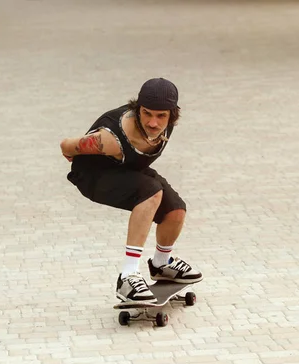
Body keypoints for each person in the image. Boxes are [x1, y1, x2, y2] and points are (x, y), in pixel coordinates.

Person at [60, 77, 203, 304]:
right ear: (138, 109)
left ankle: (161, 264)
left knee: (175, 210)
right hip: (93, 176)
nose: (153, 123)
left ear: (172, 114)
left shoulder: (167, 125)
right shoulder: (110, 139)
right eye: (147, 113)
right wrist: (74, 151)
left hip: (126, 169)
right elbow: (66, 145)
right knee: (151, 192)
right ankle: (128, 276)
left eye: (161, 116)